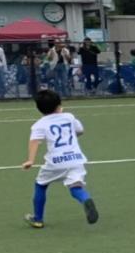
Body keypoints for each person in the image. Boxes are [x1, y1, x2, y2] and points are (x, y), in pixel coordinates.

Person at [21, 88, 98, 228]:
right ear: (59, 105)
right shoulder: (69, 117)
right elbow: (80, 131)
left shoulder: (39, 124)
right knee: (75, 186)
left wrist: (30, 160)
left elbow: (34, 141)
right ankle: (86, 199)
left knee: (40, 185)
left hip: (56, 162)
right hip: (76, 159)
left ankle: (38, 219)